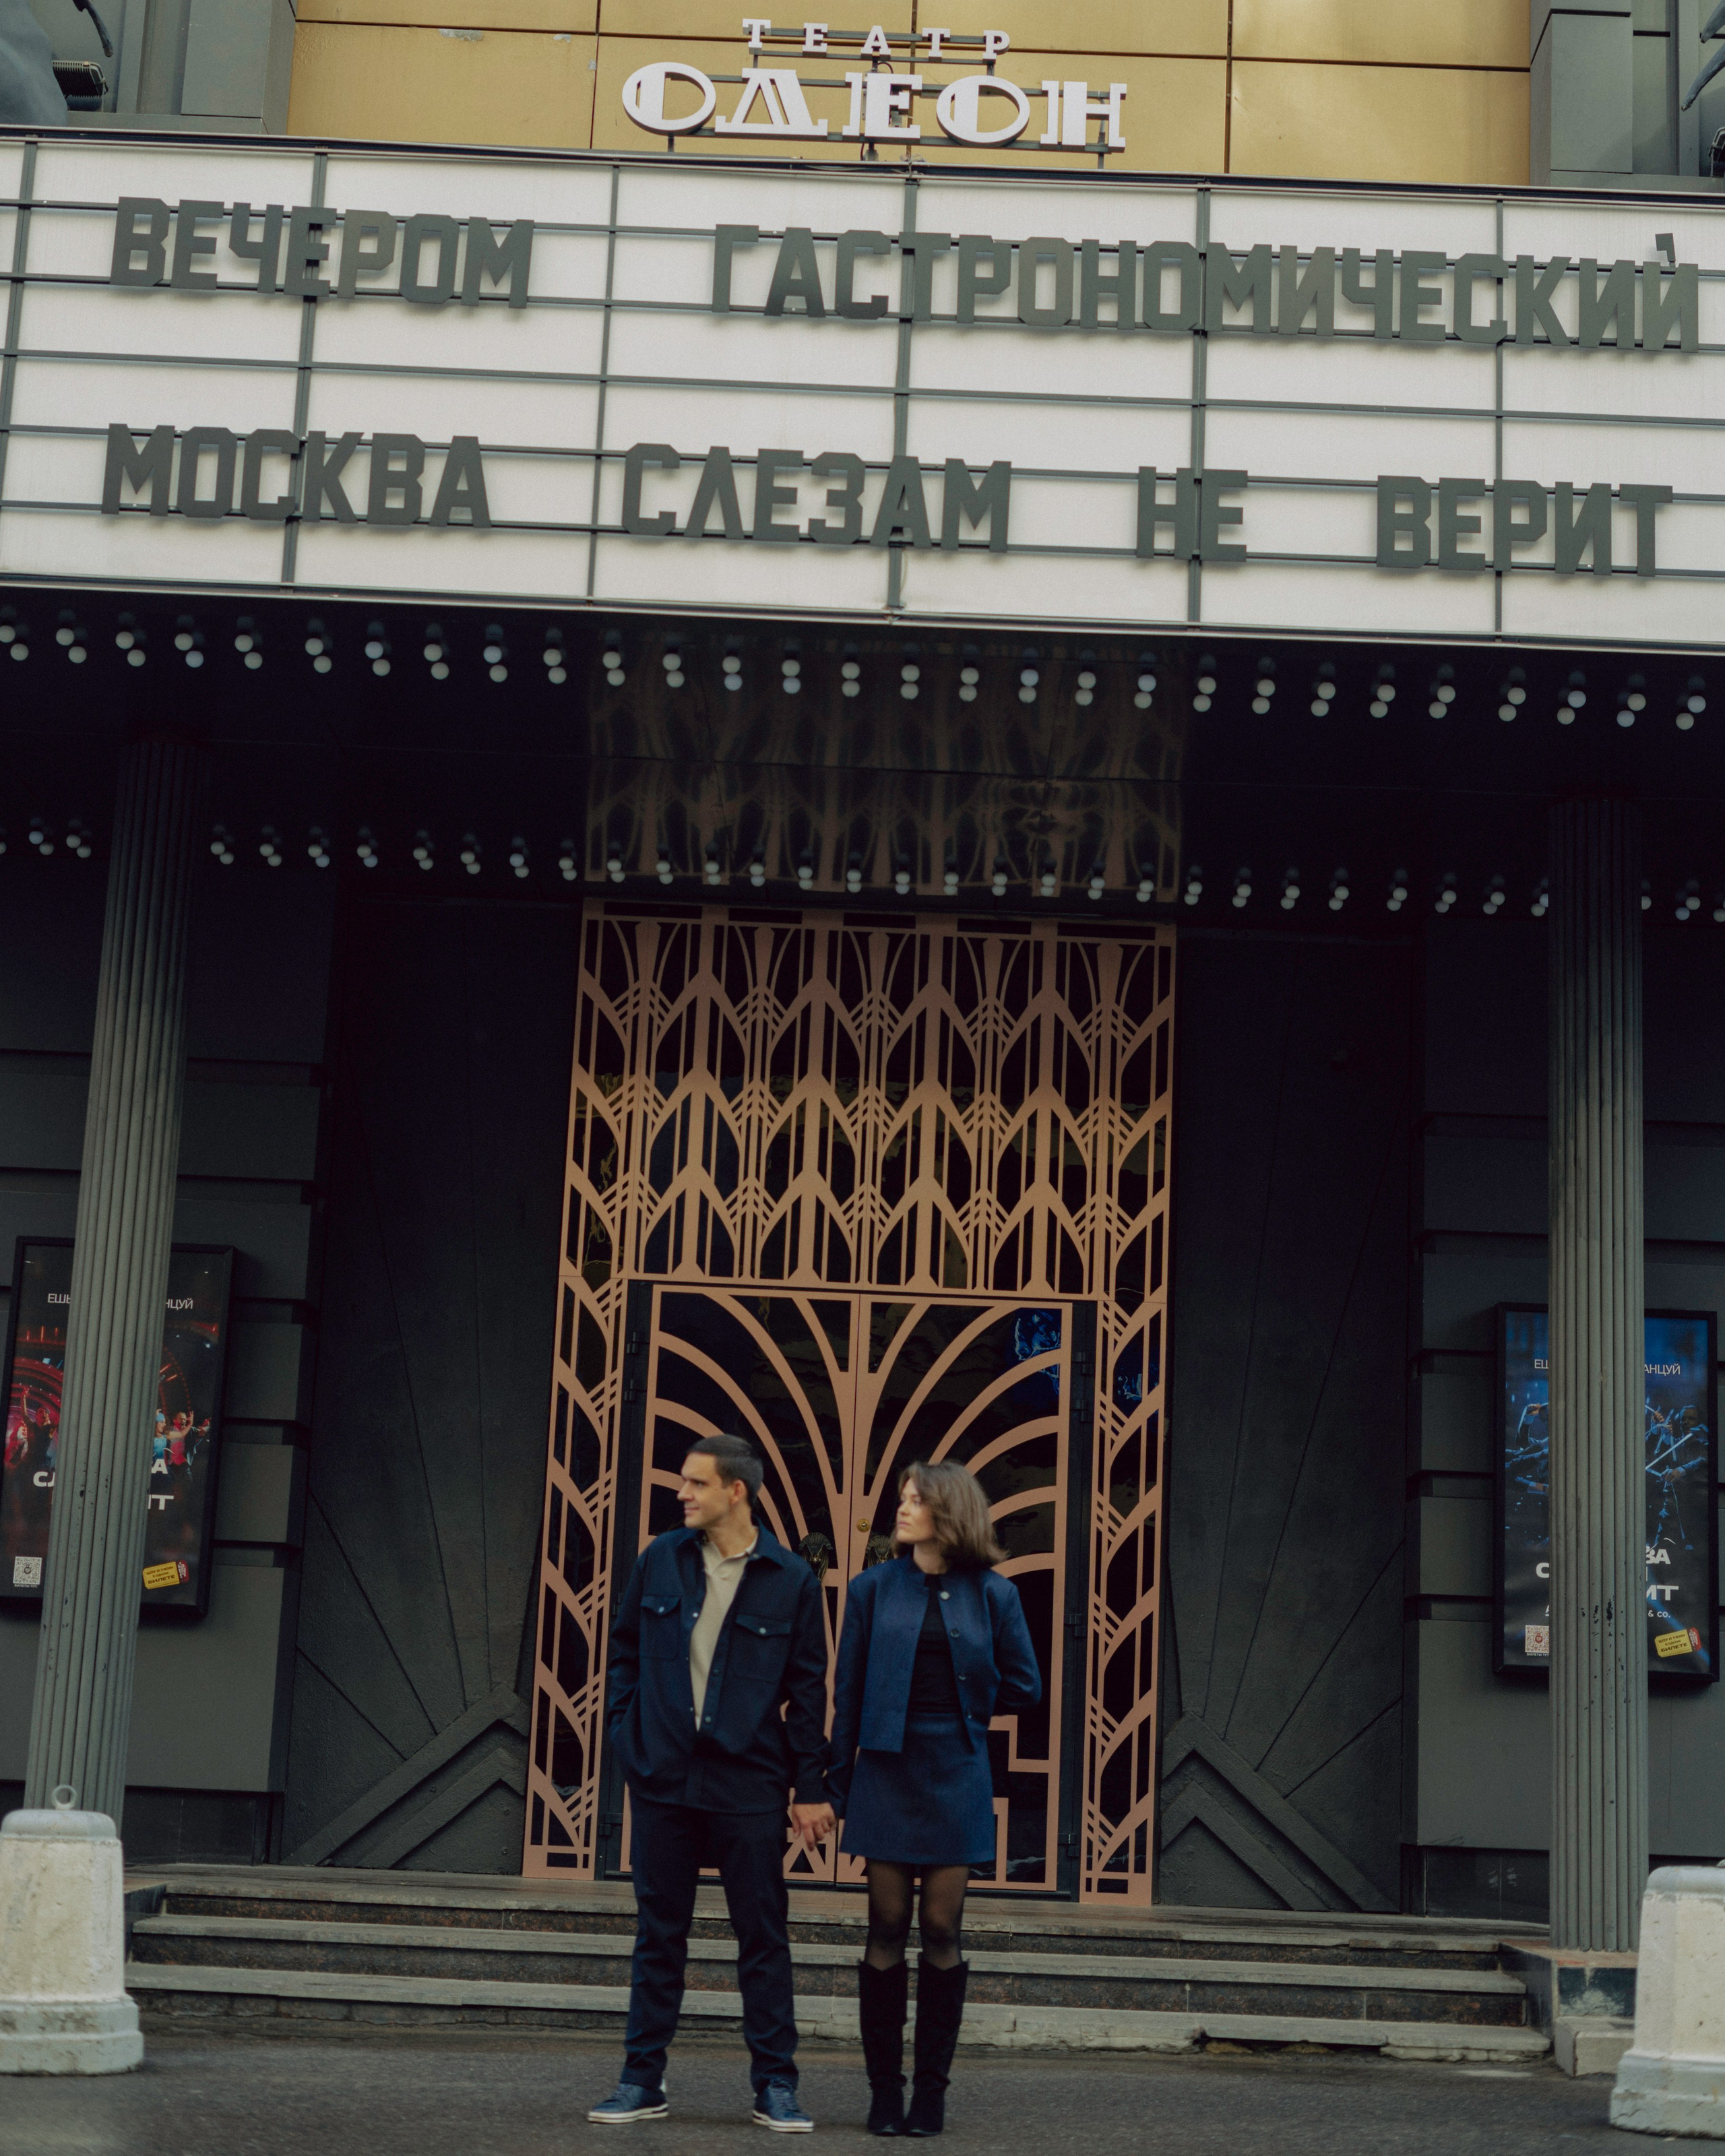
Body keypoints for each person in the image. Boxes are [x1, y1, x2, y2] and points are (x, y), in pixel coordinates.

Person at [589, 1433, 837, 2133]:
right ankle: (641, 2079)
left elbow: (808, 1690)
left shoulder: (790, 1578)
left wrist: (809, 1784)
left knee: (762, 1934)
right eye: (682, 1482)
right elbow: (625, 1650)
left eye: (696, 1482)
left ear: (737, 1490)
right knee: (658, 1932)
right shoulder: (659, 1559)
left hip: (750, 1782)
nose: (682, 1492)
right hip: (664, 1774)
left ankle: (775, 2086)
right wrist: (626, 1730)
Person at [828, 1460, 1042, 2138]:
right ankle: (883, 2092)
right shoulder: (870, 1587)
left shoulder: (993, 1594)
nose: (902, 1508)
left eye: (915, 1499)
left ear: (949, 1512)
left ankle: (931, 2092)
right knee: (886, 1923)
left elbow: (1024, 1685)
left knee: (943, 1928)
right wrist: (832, 1787)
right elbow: (847, 1693)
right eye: (902, 1498)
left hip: (956, 1771)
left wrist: (968, 1709)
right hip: (885, 1773)